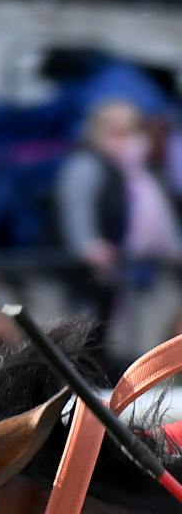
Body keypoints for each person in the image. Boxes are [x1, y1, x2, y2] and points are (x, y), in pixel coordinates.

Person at [58, 97, 182, 354]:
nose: (129, 139)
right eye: (118, 132)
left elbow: (164, 223)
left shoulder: (144, 172)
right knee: (93, 344)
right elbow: (77, 212)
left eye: (133, 130)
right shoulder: (86, 165)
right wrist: (88, 245)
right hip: (91, 281)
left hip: (144, 274)